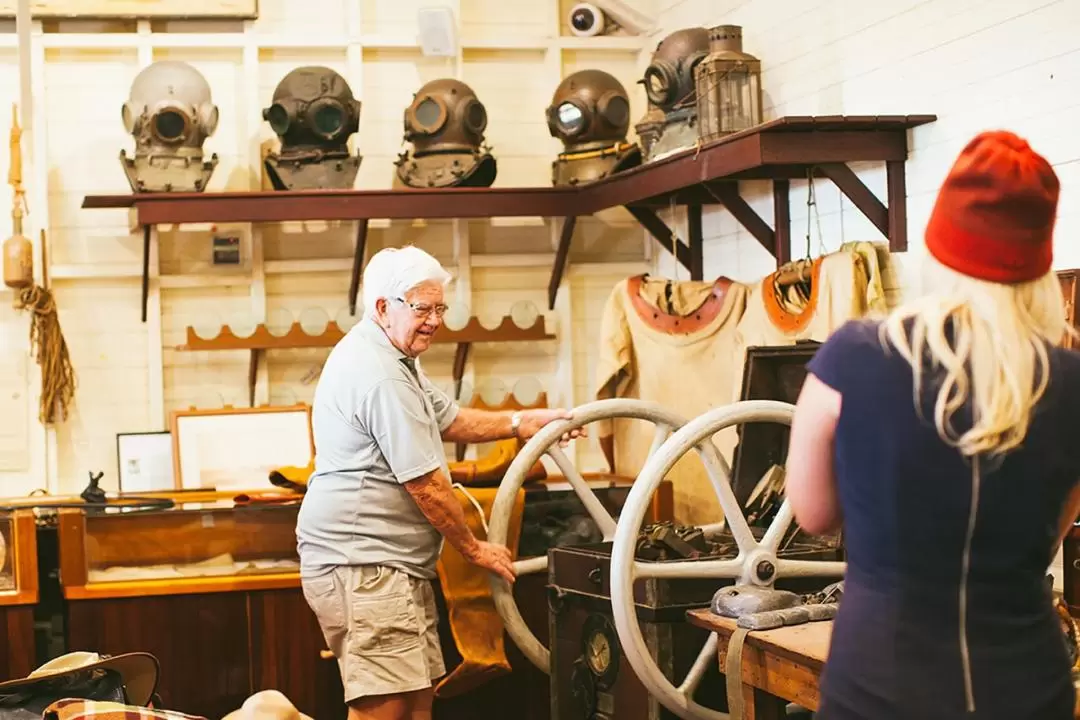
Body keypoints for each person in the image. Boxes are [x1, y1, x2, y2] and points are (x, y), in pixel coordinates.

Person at [785, 131, 1080, 719]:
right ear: (1037, 263)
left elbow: (813, 515)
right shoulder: (1070, 382)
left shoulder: (851, 356)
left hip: (879, 686)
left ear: (938, 250)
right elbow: (1053, 530)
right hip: (1025, 688)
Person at [296, 245, 582, 720]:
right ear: (384, 307)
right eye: (422, 308)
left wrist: (520, 422)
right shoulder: (379, 374)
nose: (433, 320)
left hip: (392, 565)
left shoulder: (392, 352)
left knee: (416, 703)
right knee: (383, 710)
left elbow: (448, 419)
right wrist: (473, 549)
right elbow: (426, 486)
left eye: (439, 308)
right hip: (363, 565)